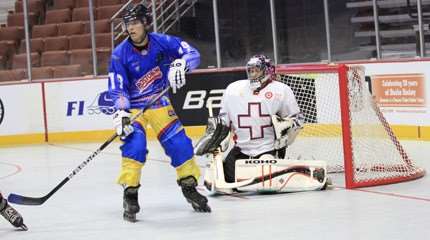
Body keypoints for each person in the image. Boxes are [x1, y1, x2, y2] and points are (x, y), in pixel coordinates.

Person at [108, 3, 210, 222]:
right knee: (134, 146)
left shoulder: (163, 42)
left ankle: (189, 186)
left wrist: (182, 65)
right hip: (134, 107)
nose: (130, 28)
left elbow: (193, 54)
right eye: (127, 24)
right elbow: (118, 88)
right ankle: (130, 193)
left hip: (159, 102)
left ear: (146, 23)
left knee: (180, 144)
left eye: (135, 22)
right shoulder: (120, 54)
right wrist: (122, 111)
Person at [195, 55, 323, 192]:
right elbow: (223, 121)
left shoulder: (281, 90)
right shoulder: (233, 90)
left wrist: (286, 134)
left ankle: (299, 172)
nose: (253, 74)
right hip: (241, 150)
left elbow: (297, 118)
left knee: (265, 183)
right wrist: (216, 137)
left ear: (267, 71)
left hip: (268, 150)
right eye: (250, 70)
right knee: (225, 181)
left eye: (256, 70)